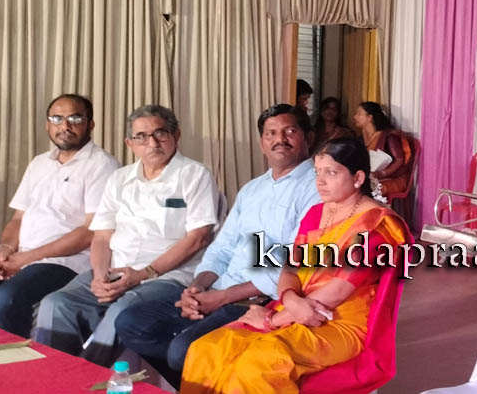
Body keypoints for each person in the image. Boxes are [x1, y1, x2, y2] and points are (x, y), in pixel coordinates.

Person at [180, 137, 411, 394]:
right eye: (317, 172)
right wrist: (290, 299)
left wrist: (271, 320)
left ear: (357, 178)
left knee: (259, 361)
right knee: (207, 348)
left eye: (331, 173)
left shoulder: (375, 226)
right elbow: (290, 268)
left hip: (338, 321)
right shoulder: (316, 213)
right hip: (295, 307)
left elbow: (336, 293)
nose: (320, 181)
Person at [114, 104, 321, 384]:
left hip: (259, 300)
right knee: (131, 322)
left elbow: (291, 264)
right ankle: (205, 377)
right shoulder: (252, 189)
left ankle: (202, 373)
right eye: (270, 133)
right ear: (262, 143)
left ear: (308, 137)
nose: (279, 139)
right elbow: (222, 247)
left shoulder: (317, 187)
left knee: (181, 350)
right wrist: (197, 288)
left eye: (290, 131)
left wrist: (222, 298)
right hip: (219, 290)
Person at [34, 104, 221, 367]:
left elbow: (198, 238)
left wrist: (144, 273)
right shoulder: (119, 179)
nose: (152, 143)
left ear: (176, 135)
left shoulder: (195, 175)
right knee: (56, 303)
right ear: (129, 143)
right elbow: (102, 236)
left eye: (160, 133)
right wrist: (100, 276)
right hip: (116, 272)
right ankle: (50, 374)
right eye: (141, 137)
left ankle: (87, 379)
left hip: (167, 276)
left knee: (122, 311)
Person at [0, 94, 118, 336]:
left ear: (90, 124)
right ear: (47, 124)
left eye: (74, 118)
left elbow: (90, 232)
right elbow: (18, 218)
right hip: (21, 254)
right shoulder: (40, 163)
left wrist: (25, 258)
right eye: (57, 119)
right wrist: (5, 249)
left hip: (61, 262)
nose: (65, 126)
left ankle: (11, 358)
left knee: (6, 298)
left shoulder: (102, 164)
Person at [353, 101, 413, 195]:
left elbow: (400, 160)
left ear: (370, 118)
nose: (355, 117)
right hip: (372, 177)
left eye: (359, 114)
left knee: (359, 188)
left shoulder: (389, 136)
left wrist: (381, 173)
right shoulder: (361, 138)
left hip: (392, 179)